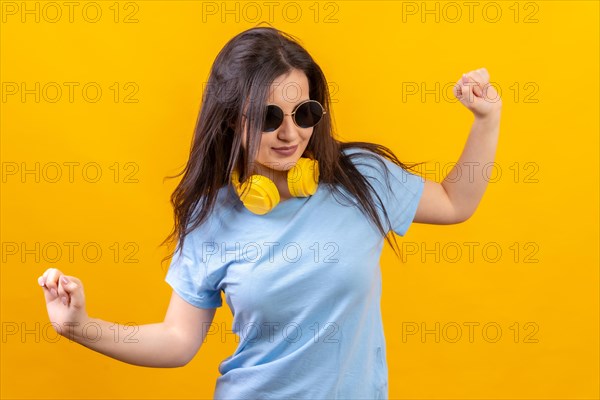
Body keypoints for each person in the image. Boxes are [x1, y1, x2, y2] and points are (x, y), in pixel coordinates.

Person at [37, 25, 501, 399]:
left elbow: (456, 202)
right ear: (230, 119)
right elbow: (178, 342)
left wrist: (487, 119)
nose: (289, 134)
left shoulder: (360, 178)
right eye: (267, 117)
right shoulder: (210, 217)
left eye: (303, 113)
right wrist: (80, 326)